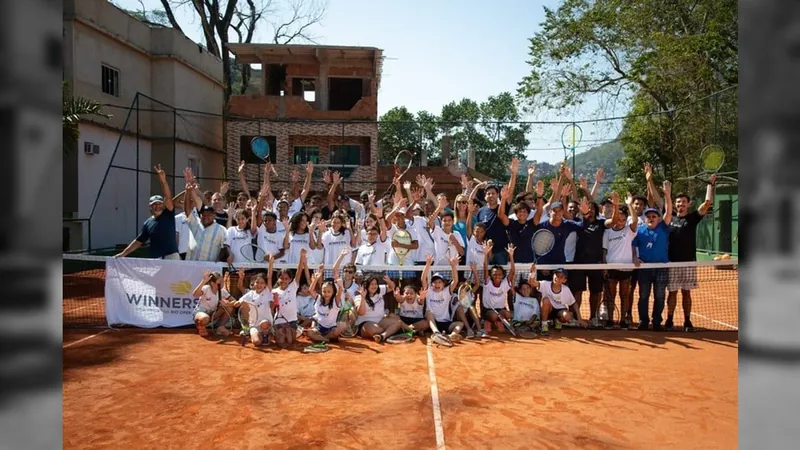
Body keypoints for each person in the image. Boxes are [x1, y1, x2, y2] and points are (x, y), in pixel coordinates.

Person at [666, 175, 716, 331]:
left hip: (688, 262)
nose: (681, 205)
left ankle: (687, 321)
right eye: (678, 202)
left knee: (686, 293)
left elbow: (707, 203)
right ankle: (669, 319)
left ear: (688, 205)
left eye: (683, 202)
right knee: (672, 293)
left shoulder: (693, 218)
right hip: (672, 262)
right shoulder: (669, 218)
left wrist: (710, 184)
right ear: (675, 204)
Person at [633, 181, 673, 331]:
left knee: (660, 296)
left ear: (658, 218)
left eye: (654, 216)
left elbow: (668, 212)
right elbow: (633, 244)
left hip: (661, 267)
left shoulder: (663, 227)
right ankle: (644, 321)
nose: (651, 218)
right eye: (648, 216)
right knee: (643, 296)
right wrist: (634, 258)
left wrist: (667, 195)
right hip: (645, 268)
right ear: (645, 218)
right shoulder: (640, 230)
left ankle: (657, 321)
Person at [115, 165, 179, 259]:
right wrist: (123, 254)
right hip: (155, 259)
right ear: (150, 207)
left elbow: (168, 196)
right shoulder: (148, 223)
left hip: (171, 257)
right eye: (154, 204)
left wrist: (163, 181)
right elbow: (139, 241)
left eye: (159, 204)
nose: (157, 206)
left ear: (163, 205)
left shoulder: (168, 213)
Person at [602, 194, 639, 329]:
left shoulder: (629, 230)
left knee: (624, 295)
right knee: (611, 296)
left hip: (626, 269)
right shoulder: (608, 232)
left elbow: (634, 220)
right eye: (618, 219)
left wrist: (629, 204)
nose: (620, 222)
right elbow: (604, 251)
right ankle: (610, 320)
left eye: (623, 220)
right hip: (612, 268)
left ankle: (623, 320)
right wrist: (604, 267)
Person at [527, 266, 588, 336]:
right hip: (548, 310)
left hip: (560, 310)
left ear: (564, 280)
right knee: (545, 300)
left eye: (561, 277)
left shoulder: (566, 289)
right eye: (557, 275)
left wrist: (579, 319)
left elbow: (574, 304)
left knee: (568, 316)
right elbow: (531, 282)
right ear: (553, 276)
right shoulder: (545, 284)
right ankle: (544, 325)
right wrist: (533, 273)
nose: (558, 278)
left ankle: (558, 320)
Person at [421, 255, 467, 344]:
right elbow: (423, 279)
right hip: (433, 323)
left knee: (460, 324)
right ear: (432, 284)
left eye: (439, 282)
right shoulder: (429, 291)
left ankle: (451, 336)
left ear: (443, 284)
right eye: (434, 282)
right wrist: (427, 265)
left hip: (446, 322)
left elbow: (455, 280)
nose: (437, 284)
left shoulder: (447, 291)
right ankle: (436, 334)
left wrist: (453, 266)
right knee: (429, 313)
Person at [271, 248, 308, 349]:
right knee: (282, 343)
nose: (283, 280)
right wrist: (275, 301)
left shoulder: (293, 287)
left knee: (290, 341)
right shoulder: (274, 292)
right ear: (278, 279)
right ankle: (277, 333)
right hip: (279, 321)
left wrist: (302, 257)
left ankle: (291, 332)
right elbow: (271, 308)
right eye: (281, 278)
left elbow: (299, 270)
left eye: (286, 278)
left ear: (290, 279)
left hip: (292, 320)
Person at [479, 240, 517, 333]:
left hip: (500, 309)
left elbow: (512, 271)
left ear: (502, 276)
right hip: (488, 310)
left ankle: (497, 322)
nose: (497, 276)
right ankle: (491, 321)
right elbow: (485, 267)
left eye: (499, 274)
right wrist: (485, 254)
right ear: (491, 275)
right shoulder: (488, 283)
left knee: (509, 315)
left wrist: (511, 256)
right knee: (494, 316)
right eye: (495, 274)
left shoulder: (504, 283)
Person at [354, 274, 401, 343]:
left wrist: (388, 281)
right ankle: (390, 331)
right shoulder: (358, 297)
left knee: (398, 323)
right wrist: (363, 298)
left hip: (380, 321)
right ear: (366, 285)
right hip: (365, 324)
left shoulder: (379, 290)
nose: (374, 286)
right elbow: (361, 313)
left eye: (375, 284)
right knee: (375, 329)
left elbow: (392, 287)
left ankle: (382, 336)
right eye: (371, 284)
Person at [306, 266, 348, 343]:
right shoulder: (318, 298)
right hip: (320, 327)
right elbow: (310, 290)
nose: (326, 294)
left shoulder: (335, 301)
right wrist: (315, 279)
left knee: (337, 330)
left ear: (333, 292)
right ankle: (326, 340)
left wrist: (340, 286)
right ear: (321, 291)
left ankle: (321, 338)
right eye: (324, 291)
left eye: (329, 292)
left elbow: (339, 292)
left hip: (331, 328)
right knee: (309, 332)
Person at [191, 270, 236, 337]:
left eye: (222, 281)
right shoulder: (206, 288)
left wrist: (228, 304)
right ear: (212, 283)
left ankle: (220, 328)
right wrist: (203, 281)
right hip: (201, 313)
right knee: (205, 318)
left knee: (229, 307)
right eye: (220, 281)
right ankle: (201, 327)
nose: (222, 283)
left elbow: (235, 301)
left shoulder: (223, 291)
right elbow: (195, 294)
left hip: (213, 314)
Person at [238, 268, 273, 347]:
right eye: (257, 282)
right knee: (256, 342)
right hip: (254, 325)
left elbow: (269, 276)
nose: (259, 285)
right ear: (254, 283)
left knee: (263, 323)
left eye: (262, 283)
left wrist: (271, 263)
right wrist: (227, 304)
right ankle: (257, 335)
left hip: (265, 323)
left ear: (265, 285)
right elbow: (238, 302)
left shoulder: (267, 292)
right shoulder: (250, 294)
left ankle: (266, 334)